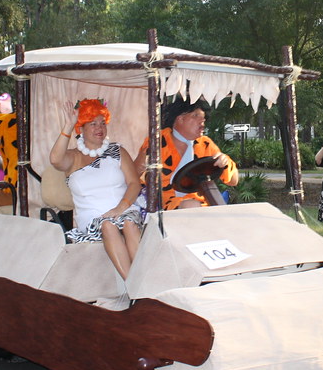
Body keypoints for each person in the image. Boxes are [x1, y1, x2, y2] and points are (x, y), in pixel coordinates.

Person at [50, 99, 142, 280]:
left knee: (129, 224)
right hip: (93, 219)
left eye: (102, 123)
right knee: (107, 225)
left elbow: (134, 183)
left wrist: (120, 208)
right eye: (92, 124)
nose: (99, 128)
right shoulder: (72, 157)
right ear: (81, 129)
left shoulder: (117, 151)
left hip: (124, 210)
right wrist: (68, 126)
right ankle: (134, 285)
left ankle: (144, 281)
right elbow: (55, 159)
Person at [135, 99, 238, 210]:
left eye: (203, 117)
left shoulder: (206, 144)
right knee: (192, 205)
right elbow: (134, 174)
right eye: (195, 115)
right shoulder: (156, 142)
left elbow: (234, 181)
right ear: (180, 119)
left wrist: (225, 163)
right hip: (163, 204)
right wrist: (144, 159)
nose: (202, 120)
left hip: (202, 204)